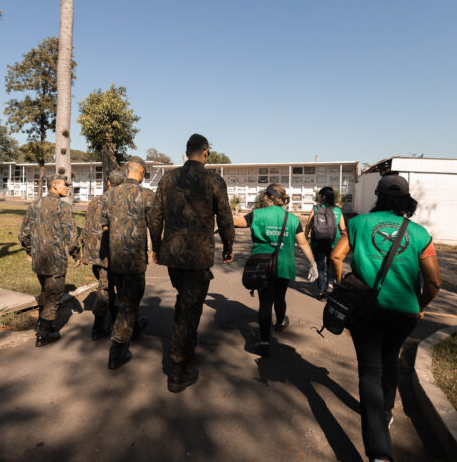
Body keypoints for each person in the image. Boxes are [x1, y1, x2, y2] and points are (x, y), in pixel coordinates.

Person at [330, 174, 441, 462]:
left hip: (365, 308)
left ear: (377, 195)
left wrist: (344, 285)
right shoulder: (419, 233)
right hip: (404, 312)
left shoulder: (356, 224)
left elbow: (335, 257)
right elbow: (434, 282)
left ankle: (379, 451)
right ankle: (387, 412)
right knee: (390, 360)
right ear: (406, 198)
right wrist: (421, 305)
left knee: (369, 371)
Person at [150, 133, 234, 393]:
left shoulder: (168, 178)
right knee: (190, 308)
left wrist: (156, 247)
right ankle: (178, 368)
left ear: (186, 152)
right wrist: (228, 247)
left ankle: (181, 339)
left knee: (184, 298)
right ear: (205, 152)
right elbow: (225, 218)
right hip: (197, 257)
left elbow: (155, 217)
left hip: (173, 255)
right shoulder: (213, 180)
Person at [233, 184, 318, 356]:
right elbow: (302, 243)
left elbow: (236, 222)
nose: (263, 198)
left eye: (265, 195)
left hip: (263, 265)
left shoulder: (257, 214)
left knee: (265, 303)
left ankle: (264, 341)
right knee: (280, 296)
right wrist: (313, 263)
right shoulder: (293, 219)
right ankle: (279, 323)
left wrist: (216, 212)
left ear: (269, 197)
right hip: (284, 266)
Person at [99, 157, 156, 369]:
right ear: (140, 171)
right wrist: (157, 249)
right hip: (135, 259)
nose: (144, 175)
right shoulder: (147, 195)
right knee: (129, 304)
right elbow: (156, 226)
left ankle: (128, 331)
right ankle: (117, 349)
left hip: (116, 258)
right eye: (144, 172)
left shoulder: (110, 194)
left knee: (124, 298)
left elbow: (104, 225)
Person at [18, 175, 80, 347]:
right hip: (56, 259)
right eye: (64, 185)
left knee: (45, 291)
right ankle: (43, 334)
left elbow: (23, 234)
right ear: (54, 186)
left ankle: (44, 323)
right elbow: (71, 236)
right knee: (54, 296)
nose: (68, 188)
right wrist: (76, 254)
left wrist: (30, 250)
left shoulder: (34, 205)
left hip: (39, 259)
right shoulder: (64, 207)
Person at [81, 170, 126, 340]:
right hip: (110, 253)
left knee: (107, 286)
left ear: (108, 182)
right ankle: (98, 328)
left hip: (95, 253)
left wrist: (84, 249)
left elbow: (87, 227)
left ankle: (112, 320)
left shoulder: (94, 201)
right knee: (106, 289)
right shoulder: (118, 202)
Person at [304, 186, 347, 300]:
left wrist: (304, 238)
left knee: (319, 265)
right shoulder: (337, 210)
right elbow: (342, 228)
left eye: (319, 194)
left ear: (323, 196)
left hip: (317, 242)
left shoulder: (316, 208)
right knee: (330, 264)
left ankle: (321, 291)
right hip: (333, 242)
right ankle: (330, 284)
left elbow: (308, 224)